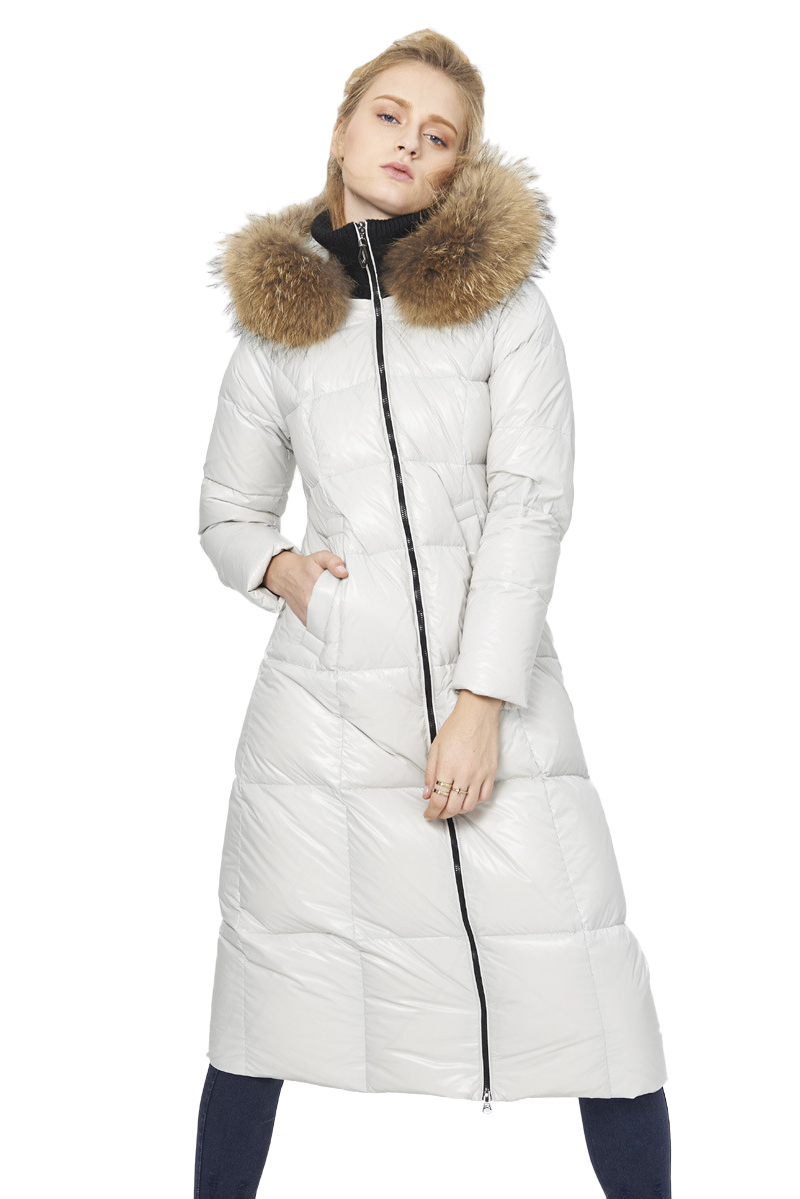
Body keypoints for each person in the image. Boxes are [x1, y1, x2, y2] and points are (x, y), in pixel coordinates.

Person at [195, 27, 672, 1199]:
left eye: (438, 133)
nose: (409, 141)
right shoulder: (277, 328)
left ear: (459, 166)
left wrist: (478, 702)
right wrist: (281, 571)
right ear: (342, 129)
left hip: (498, 699)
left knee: (591, 997)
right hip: (318, 720)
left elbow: (530, 503)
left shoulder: (506, 312)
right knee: (265, 1004)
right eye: (389, 115)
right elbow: (226, 513)